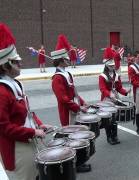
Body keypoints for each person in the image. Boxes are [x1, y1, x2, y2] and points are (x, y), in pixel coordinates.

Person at [0, 23, 47, 180]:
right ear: (6, 66)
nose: (21, 64)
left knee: (36, 175)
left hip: (28, 139)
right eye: (16, 62)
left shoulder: (15, 84)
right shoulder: (2, 92)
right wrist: (33, 132)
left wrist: (38, 124)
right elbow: (4, 127)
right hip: (16, 148)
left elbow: (26, 112)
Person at [51, 34, 90, 172]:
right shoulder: (57, 78)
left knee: (75, 136)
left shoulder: (67, 74)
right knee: (70, 138)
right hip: (67, 112)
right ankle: (73, 165)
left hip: (74, 109)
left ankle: (78, 162)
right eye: (66, 57)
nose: (69, 59)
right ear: (61, 60)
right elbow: (63, 99)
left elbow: (74, 92)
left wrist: (82, 102)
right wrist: (79, 108)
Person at [99, 47, 131, 144]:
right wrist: (109, 94)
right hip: (106, 99)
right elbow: (102, 89)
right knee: (108, 119)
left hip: (115, 97)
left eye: (113, 65)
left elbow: (119, 87)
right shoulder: (102, 76)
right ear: (106, 65)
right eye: (111, 66)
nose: (113, 67)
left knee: (115, 118)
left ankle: (115, 136)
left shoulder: (116, 75)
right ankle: (109, 137)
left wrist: (125, 92)